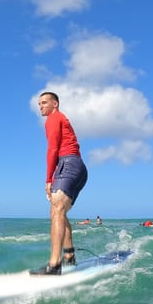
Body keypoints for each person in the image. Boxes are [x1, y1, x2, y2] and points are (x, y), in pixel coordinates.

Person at [31, 92, 88, 275]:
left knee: (56, 211)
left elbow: (53, 149)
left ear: (55, 104)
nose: (41, 106)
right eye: (39, 104)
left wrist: (49, 179)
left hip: (68, 164)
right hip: (78, 167)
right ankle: (69, 255)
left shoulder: (53, 118)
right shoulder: (60, 118)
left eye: (44, 102)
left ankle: (54, 265)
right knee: (57, 211)